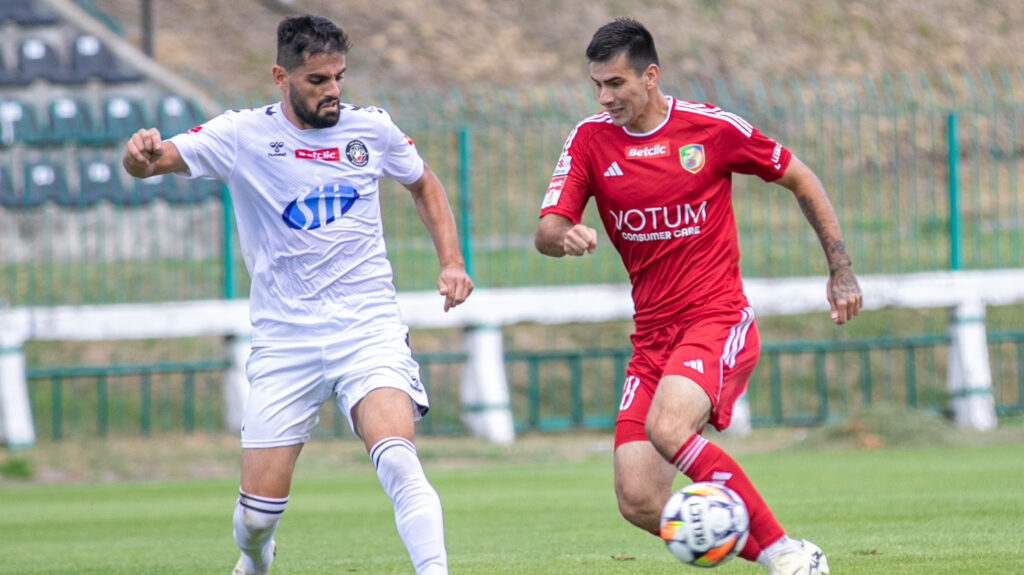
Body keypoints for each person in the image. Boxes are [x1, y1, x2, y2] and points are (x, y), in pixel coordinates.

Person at [122, 14, 473, 575]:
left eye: (338, 77)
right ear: (281, 77)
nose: (332, 90)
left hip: (368, 326)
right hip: (286, 338)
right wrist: (138, 156)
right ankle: (256, 561)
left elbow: (424, 183)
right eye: (316, 80)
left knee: (400, 462)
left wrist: (452, 262)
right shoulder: (241, 135)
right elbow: (152, 162)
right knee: (257, 517)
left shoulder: (372, 129)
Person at [534, 18, 862, 575]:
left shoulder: (709, 129)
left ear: (650, 75)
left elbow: (800, 176)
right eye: (596, 85)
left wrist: (841, 270)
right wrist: (561, 235)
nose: (604, 97)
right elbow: (544, 230)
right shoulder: (590, 139)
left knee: (668, 428)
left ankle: (783, 552)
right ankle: (788, 556)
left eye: (615, 83)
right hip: (652, 337)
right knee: (637, 498)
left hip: (716, 318)